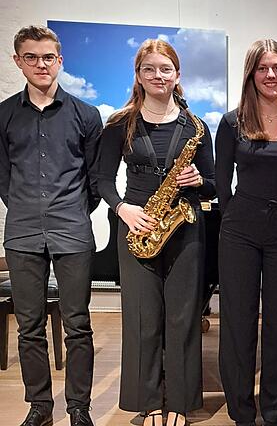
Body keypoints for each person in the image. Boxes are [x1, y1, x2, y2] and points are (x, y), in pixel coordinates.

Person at [96, 39, 215, 426]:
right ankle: (148, 403)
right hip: (138, 222)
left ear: (177, 74)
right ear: (138, 75)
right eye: (149, 68)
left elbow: (214, 183)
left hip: (184, 226)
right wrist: (123, 208)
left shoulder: (195, 126)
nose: (158, 75)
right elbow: (101, 178)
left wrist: (199, 180)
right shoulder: (120, 123)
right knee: (143, 317)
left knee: (182, 317)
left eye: (165, 68)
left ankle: (179, 403)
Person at [0, 25, 101, 426]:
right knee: (30, 326)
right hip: (22, 233)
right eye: (31, 57)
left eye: (48, 57)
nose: (40, 65)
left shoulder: (85, 115)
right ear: (17, 61)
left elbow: (95, 181)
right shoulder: (4, 115)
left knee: (78, 324)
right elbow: (3, 178)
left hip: (72, 231)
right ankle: (40, 406)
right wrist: (28, 210)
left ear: (59, 60)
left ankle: (79, 409)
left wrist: (69, 212)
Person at [216, 39, 277, 426]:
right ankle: (242, 412)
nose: (271, 75)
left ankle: (274, 412)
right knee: (238, 323)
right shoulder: (232, 122)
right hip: (239, 231)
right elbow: (222, 184)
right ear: (251, 74)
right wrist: (234, 219)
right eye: (263, 68)